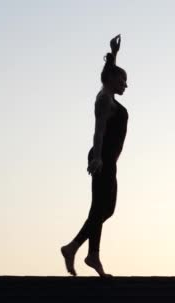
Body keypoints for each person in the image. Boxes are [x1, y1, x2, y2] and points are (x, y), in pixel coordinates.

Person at [61, 34, 129, 277]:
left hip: (109, 159)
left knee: (105, 209)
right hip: (102, 158)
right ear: (112, 79)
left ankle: (80, 249)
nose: (126, 85)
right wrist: (98, 158)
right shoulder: (104, 100)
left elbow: (109, 72)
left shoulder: (108, 97)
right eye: (123, 79)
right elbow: (98, 131)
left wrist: (114, 54)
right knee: (101, 207)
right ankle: (87, 253)